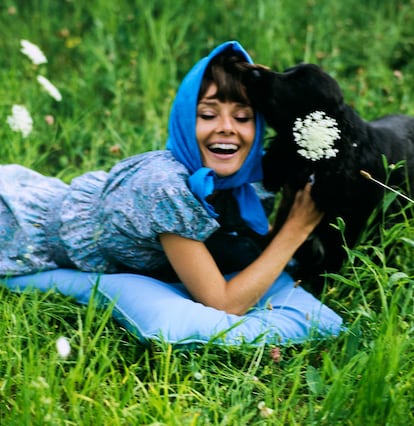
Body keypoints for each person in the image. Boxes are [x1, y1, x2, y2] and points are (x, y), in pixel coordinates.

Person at [0, 41, 323, 315]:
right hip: (18, 229)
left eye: (243, 117)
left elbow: (256, 241)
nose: (227, 126)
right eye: (207, 114)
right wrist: (296, 229)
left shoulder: (246, 180)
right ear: (184, 119)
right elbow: (223, 304)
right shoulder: (168, 190)